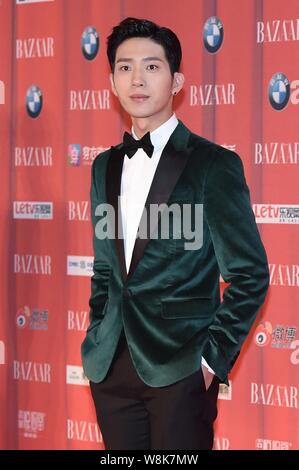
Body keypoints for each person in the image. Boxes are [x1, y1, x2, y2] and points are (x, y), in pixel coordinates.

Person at [81, 17, 269, 450]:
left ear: (177, 80)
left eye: (152, 66)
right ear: (111, 82)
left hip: (180, 366)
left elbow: (250, 274)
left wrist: (209, 361)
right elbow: (106, 270)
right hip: (109, 366)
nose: (138, 79)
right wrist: (97, 333)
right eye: (125, 68)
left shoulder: (212, 165)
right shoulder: (103, 167)